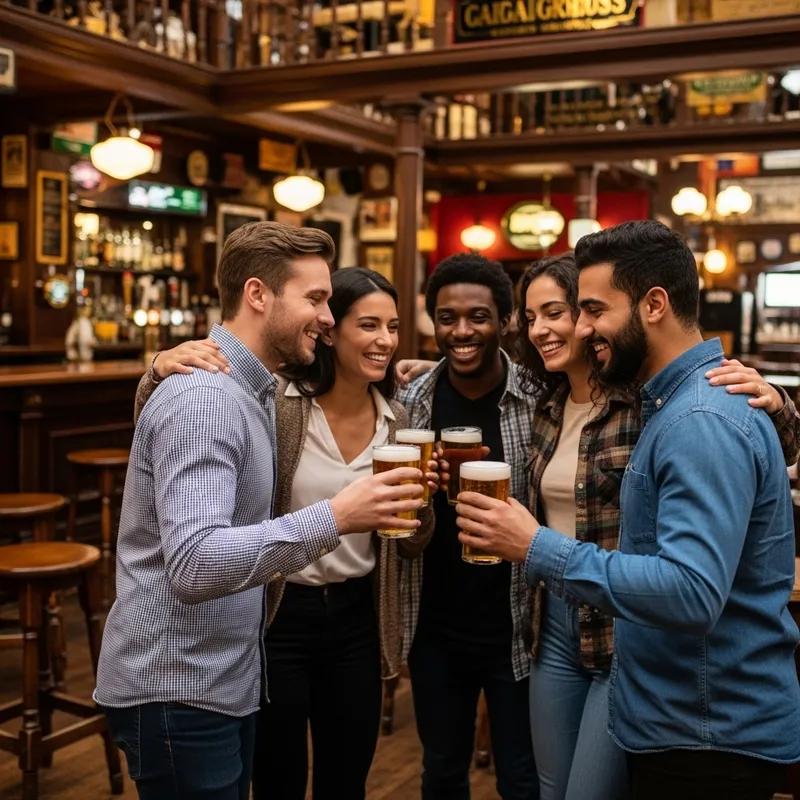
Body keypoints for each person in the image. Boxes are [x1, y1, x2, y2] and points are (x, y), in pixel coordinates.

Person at [455, 221, 800, 800]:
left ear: (655, 304)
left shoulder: (698, 418)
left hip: (705, 729)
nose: (580, 326)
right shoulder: (671, 403)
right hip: (666, 701)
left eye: (591, 309)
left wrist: (535, 545)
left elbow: (691, 590)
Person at [95, 224, 426, 800]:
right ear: (258, 295)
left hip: (221, 676)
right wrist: (337, 517)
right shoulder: (208, 396)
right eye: (316, 299)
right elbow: (195, 563)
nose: (328, 317)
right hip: (181, 685)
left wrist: (153, 374)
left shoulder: (248, 390)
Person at [398, 253, 539, 800]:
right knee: (441, 770)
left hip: (519, 625)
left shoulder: (537, 397)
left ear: (505, 320)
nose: (461, 331)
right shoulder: (409, 402)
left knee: (522, 777)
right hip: (436, 624)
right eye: (446, 317)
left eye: (478, 317)